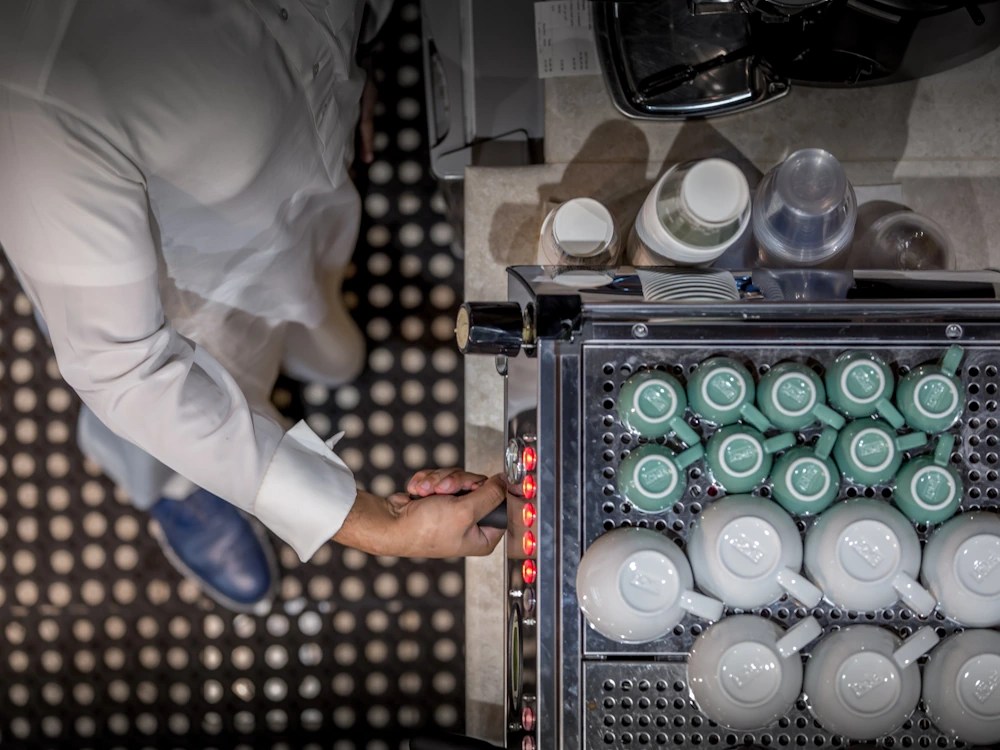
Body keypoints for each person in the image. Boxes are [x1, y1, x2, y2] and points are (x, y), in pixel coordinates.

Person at [0, 0, 506, 613]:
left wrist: (345, 57)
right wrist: (365, 520)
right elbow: (124, 368)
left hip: (301, 214)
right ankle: (178, 487)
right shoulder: (34, 83)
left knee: (320, 322)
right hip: (188, 295)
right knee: (178, 411)